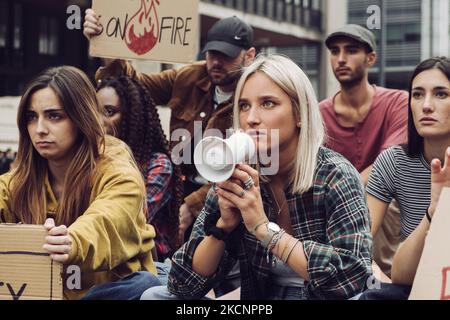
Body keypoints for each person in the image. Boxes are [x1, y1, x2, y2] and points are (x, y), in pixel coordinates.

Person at [141, 54, 372, 300]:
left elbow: (353, 276)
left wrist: (264, 230)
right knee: (156, 296)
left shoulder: (334, 174)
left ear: (299, 114)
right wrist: (223, 228)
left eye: (268, 103)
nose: (251, 118)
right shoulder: (237, 174)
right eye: (244, 106)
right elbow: (181, 285)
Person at [84, 12, 257, 242]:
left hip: (227, 198)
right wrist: (107, 45)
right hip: (177, 190)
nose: (216, 62)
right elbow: (135, 87)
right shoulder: (189, 77)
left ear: (249, 56)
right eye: (212, 53)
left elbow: (255, 167)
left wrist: (191, 206)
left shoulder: (255, 94)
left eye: (227, 56)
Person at [0, 66, 160, 300]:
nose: (40, 129)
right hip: (41, 294)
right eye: (32, 117)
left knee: (143, 285)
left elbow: (107, 219)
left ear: (81, 118)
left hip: (111, 293)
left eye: (54, 116)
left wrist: (72, 242)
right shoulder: (20, 179)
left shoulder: (119, 172)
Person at [320, 24, 408, 277]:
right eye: (335, 51)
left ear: (370, 58)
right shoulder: (319, 114)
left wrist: (347, 187)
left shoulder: (397, 102)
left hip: (387, 205)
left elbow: (389, 162)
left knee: (381, 198)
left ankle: (387, 280)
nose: (341, 59)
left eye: (351, 50)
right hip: (333, 205)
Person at [359, 57, 450, 299]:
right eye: (418, 95)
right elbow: (398, 273)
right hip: (416, 284)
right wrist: (433, 211)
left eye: (441, 94)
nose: (426, 105)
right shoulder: (394, 162)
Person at [96, 76, 183, 262]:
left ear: (131, 116)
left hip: (146, 264)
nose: (98, 121)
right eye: (93, 111)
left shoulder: (158, 165)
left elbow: (128, 220)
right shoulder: (88, 158)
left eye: (109, 112)